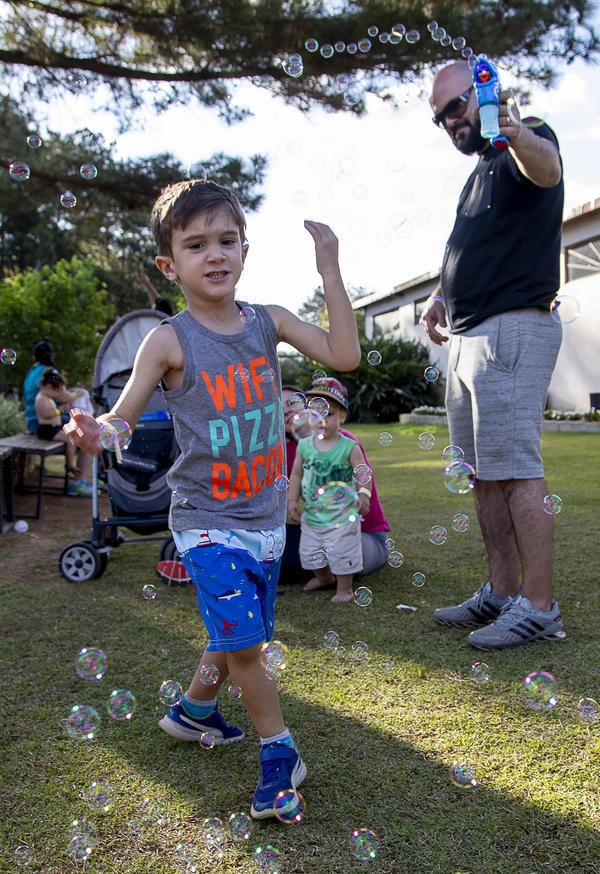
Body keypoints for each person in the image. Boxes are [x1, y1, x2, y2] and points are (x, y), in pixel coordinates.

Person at [64, 179, 361, 818]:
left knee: (238, 632)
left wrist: (330, 271)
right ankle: (280, 754)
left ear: (245, 251)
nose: (215, 254)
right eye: (196, 244)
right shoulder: (167, 340)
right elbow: (119, 421)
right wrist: (97, 433)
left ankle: (194, 710)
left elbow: (345, 353)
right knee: (248, 645)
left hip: (262, 519)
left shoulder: (267, 322)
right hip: (204, 520)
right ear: (170, 265)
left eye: (226, 240)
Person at [420, 60, 564, 650]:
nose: (450, 121)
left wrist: (514, 130)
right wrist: (437, 296)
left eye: (456, 106)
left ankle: (539, 606)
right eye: (439, 117)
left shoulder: (527, 138)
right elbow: (472, 244)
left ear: (486, 95)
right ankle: (503, 591)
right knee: (480, 475)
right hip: (468, 336)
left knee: (515, 470)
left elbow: (548, 169)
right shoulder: (480, 172)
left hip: (512, 328)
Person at [281, 383, 390, 584]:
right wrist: (291, 507)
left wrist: (363, 495)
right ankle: (318, 572)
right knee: (284, 552)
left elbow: (362, 474)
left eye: (292, 403)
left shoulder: (343, 440)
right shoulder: (289, 450)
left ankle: (330, 575)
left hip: (364, 534)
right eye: (280, 408)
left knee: (341, 555)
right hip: (323, 527)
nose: (286, 410)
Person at [35, 368, 92, 496]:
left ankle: (70, 464)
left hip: (53, 428)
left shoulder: (47, 397)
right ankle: (69, 464)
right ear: (48, 387)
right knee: (70, 437)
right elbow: (47, 414)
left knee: (73, 436)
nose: (57, 395)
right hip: (46, 429)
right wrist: (59, 410)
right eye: (56, 391)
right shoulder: (41, 399)